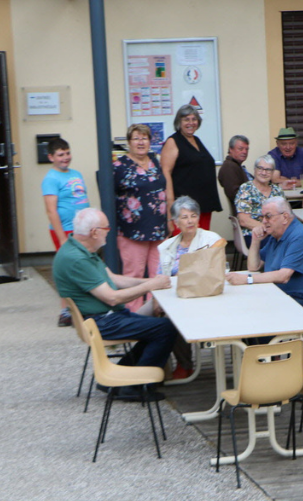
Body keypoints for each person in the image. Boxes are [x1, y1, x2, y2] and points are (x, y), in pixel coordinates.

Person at [53, 208, 177, 398]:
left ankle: (117, 380)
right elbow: (112, 297)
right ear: (94, 232)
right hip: (101, 321)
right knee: (165, 329)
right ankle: (135, 386)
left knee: (158, 325)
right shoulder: (77, 259)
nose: (109, 231)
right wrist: (151, 285)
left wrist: (152, 283)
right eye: (106, 228)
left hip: (104, 317)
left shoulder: (80, 249)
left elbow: (114, 279)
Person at [156, 196, 226, 379]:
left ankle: (183, 364)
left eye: (193, 215)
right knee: (158, 320)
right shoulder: (166, 247)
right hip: (175, 297)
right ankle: (169, 365)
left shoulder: (212, 239)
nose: (190, 221)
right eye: (185, 217)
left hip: (206, 296)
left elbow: (220, 272)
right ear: (175, 221)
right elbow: (160, 277)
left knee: (175, 318)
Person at [227, 197, 303, 317]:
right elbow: (253, 266)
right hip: (282, 295)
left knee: (256, 314)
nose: (264, 221)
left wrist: (247, 279)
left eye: (268, 216)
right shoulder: (276, 235)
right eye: (262, 217)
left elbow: (283, 276)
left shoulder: (300, 236)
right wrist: (256, 240)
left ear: (285, 217)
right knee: (244, 307)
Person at [113, 124, 168, 312]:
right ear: (129, 142)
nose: (140, 142)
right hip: (132, 231)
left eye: (144, 138)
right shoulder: (119, 166)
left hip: (159, 228)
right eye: (136, 138)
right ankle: (135, 316)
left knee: (158, 275)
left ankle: (157, 316)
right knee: (134, 275)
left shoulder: (156, 160)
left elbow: (165, 187)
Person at [41, 137, 90, 326]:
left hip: (81, 229)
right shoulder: (51, 179)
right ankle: (65, 311)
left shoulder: (76, 174)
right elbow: (51, 210)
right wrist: (62, 238)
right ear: (51, 157)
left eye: (67, 153)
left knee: (83, 268)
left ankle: (82, 308)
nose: (65, 158)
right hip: (65, 230)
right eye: (60, 155)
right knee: (68, 270)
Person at [160, 104, 222, 233]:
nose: (191, 123)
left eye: (194, 119)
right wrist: (170, 209)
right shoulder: (173, 141)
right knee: (185, 248)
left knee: (200, 247)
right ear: (179, 122)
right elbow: (165, 173)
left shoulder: (196, 140)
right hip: (184, 209)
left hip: (203, 206)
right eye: (186, 119)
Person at [235, 154, 285, 247]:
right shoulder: (246, 189)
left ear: (273, 172)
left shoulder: (277, 190)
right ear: (255, 170)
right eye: (260, 168)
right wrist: (269, 229)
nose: (264, 172)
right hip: (254, 234)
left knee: (297, 241)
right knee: (280, 245)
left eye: (268, 170)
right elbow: (243, 220)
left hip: (276, 233)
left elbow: (285, 215)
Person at [217, 135, 252, 212]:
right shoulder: (229, 167)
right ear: (230, 149)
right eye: (240, 149)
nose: (245, 152)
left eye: (247, 149)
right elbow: (234, 194)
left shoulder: (236, 165)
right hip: (245, 213)